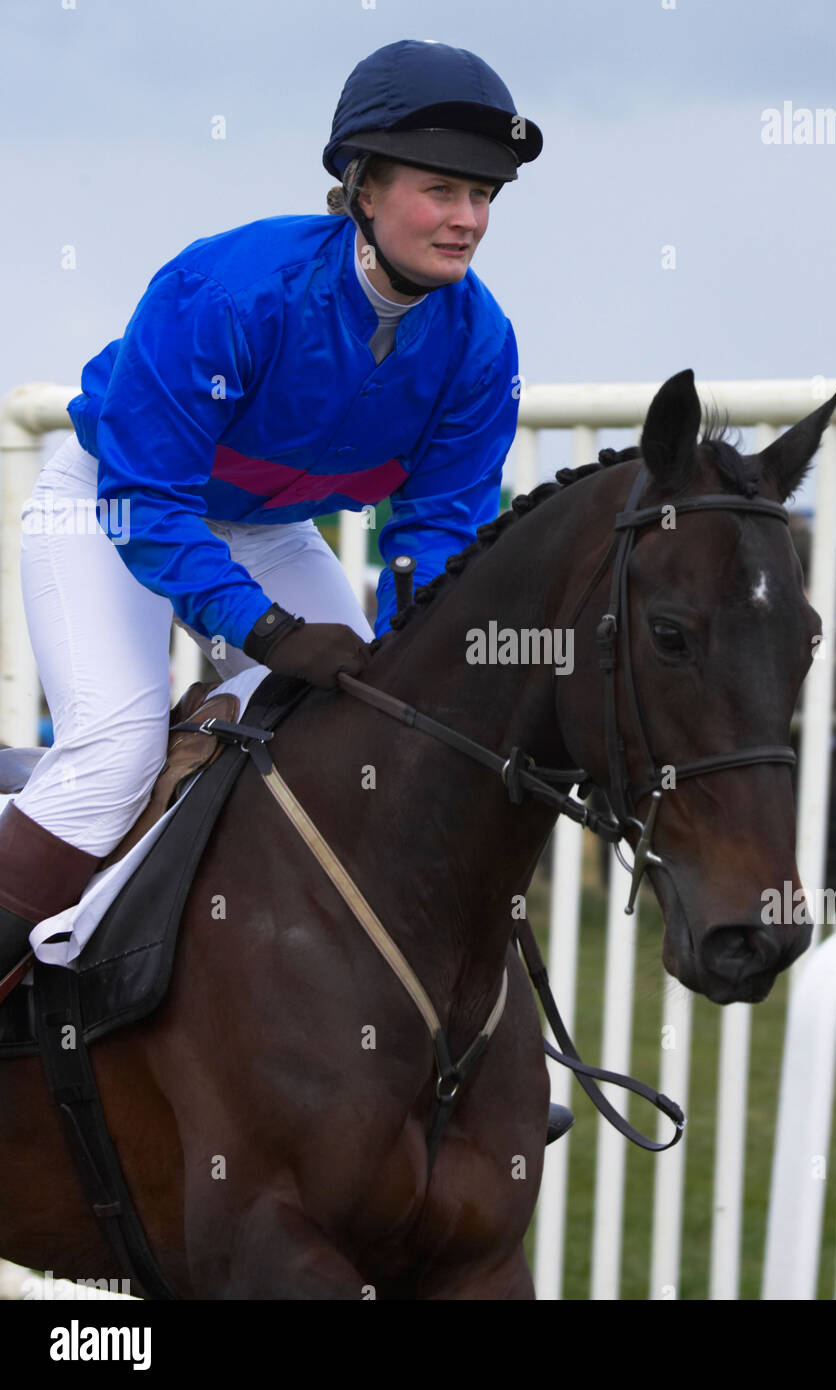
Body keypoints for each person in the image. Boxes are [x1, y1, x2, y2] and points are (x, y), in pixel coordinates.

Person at [0, 39, 542, 1003]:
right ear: (364, 188)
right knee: (115, 748)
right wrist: (263, 631)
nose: (467, 221)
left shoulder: (479, 341)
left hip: (266, 527)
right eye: (441, 191)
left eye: (484, 196)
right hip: (110, 503)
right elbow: (147, 502)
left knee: (365, 735)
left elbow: (441, 526)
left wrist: (420, 632)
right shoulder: (228, 290)